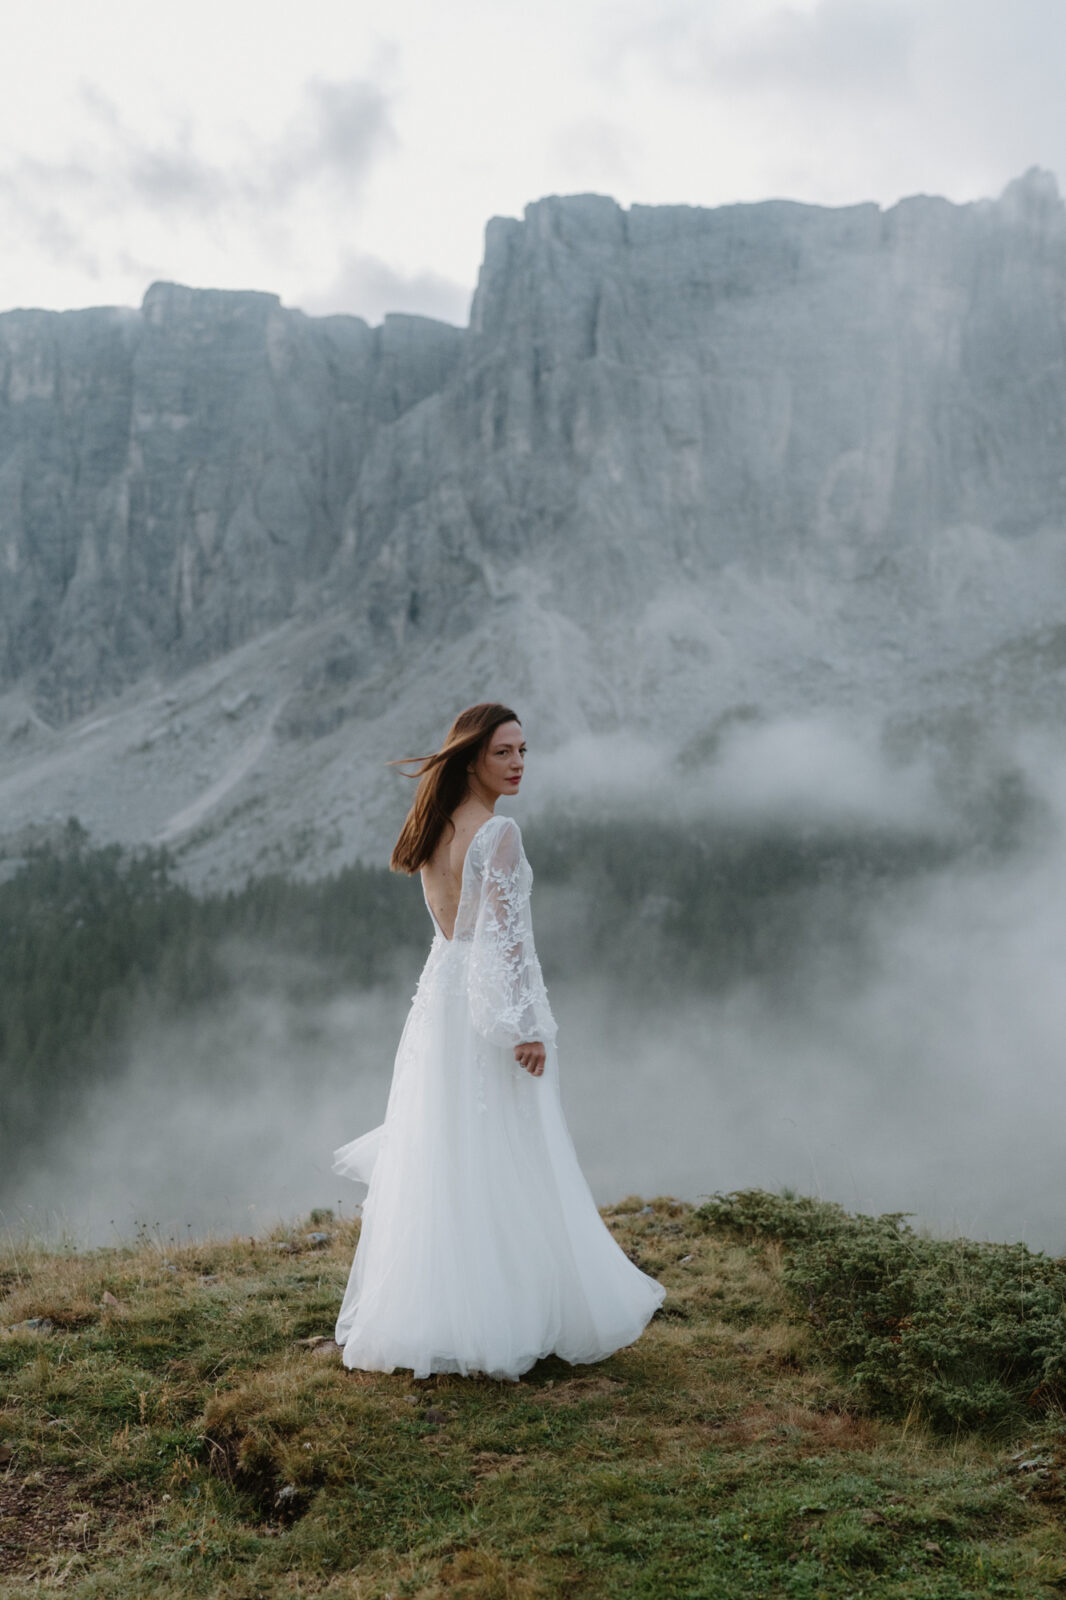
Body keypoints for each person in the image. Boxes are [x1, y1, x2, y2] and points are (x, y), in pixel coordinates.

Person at [332, 702, 666, 1380]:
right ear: (471, 758)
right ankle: (515, 1314)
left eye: (522, 751)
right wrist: (524, 1029)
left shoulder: (431, 828)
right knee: (508, 1148)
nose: (518, 764)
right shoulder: (498, 834)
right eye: (504, 753)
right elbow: (507, 944)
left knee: (448, 1148)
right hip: (484, 1006)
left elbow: (457, 937)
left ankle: (444, 1314)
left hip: (440, 1002)